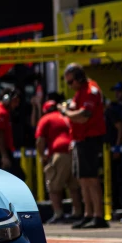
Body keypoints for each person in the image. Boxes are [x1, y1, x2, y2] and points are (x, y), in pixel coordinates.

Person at [60, 62, 109, 229]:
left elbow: (84, 116)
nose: (70, 85)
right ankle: (88, 214)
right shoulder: (79, 92)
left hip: (90, 139)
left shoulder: (90, 90)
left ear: (79, 78)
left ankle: (98, 215)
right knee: (83, 180)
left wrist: (65, 112)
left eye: (71, 81)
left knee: (91, 179)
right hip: (80, 140)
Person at [36, 94, 79, 224]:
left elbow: (40, 141)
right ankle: (78, 213)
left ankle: (58, 214)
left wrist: (42, 156)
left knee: (53, 185)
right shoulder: (66, 117)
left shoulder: (45, 119)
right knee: (74, 186)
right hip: (73, 151)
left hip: (59, 154)